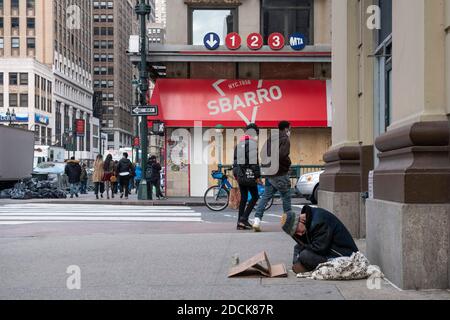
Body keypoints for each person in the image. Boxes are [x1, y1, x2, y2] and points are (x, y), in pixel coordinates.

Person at [281, 205, 359, 274]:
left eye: (297, 231)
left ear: (300, 220)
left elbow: (320, 248)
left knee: (304, 255)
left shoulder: (319, 222)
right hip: (326, 250)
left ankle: (308, 266)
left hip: (344, 255)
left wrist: (301, 253)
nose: (300, 234)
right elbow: (305, 244)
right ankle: (304, 265)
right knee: (297, 248)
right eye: (295, 234)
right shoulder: (308, 220)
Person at [253, 120, 292, 232]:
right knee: (286, 197)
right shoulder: (285, 139)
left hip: (269, 173)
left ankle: (257, 220)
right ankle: (288, 223)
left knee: (265, 197)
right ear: (286, 129)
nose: (290, 130)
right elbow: (283, 155)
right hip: (280, 173)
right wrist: (288, 163)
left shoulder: (270, 139)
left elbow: (262, 153)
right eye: (289, 128)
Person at [233, 123, 261, 230]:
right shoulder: (252, 144)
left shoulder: (239, 144)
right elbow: (253, 162)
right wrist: (257, 176)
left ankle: (239, 222)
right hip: (249, 175)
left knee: (244, 198)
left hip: (240, 175)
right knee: (255, 197)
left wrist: (236, 175)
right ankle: (244, 219)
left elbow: (235, 162)